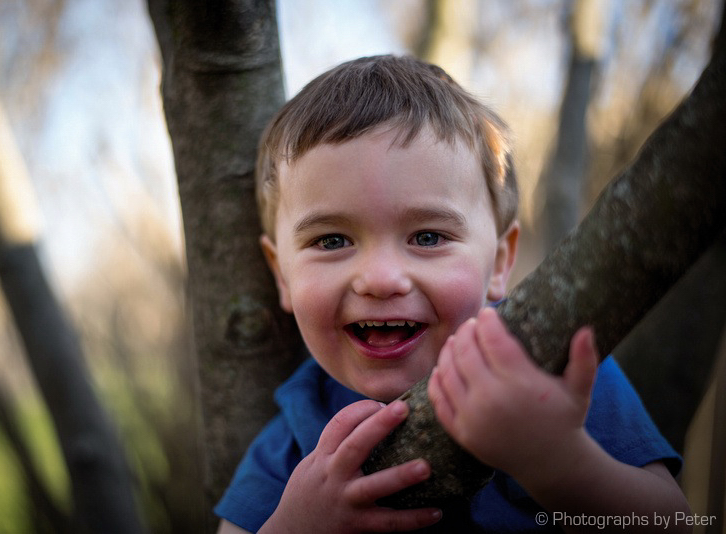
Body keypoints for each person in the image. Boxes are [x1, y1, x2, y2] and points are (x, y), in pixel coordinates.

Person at [215, 55, 690, 533]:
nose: (380, 279)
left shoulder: (550, 368)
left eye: (427, 237)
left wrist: (558, 462)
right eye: (332, 240)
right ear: (282, 275)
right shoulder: (296, 436)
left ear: (499, 261)